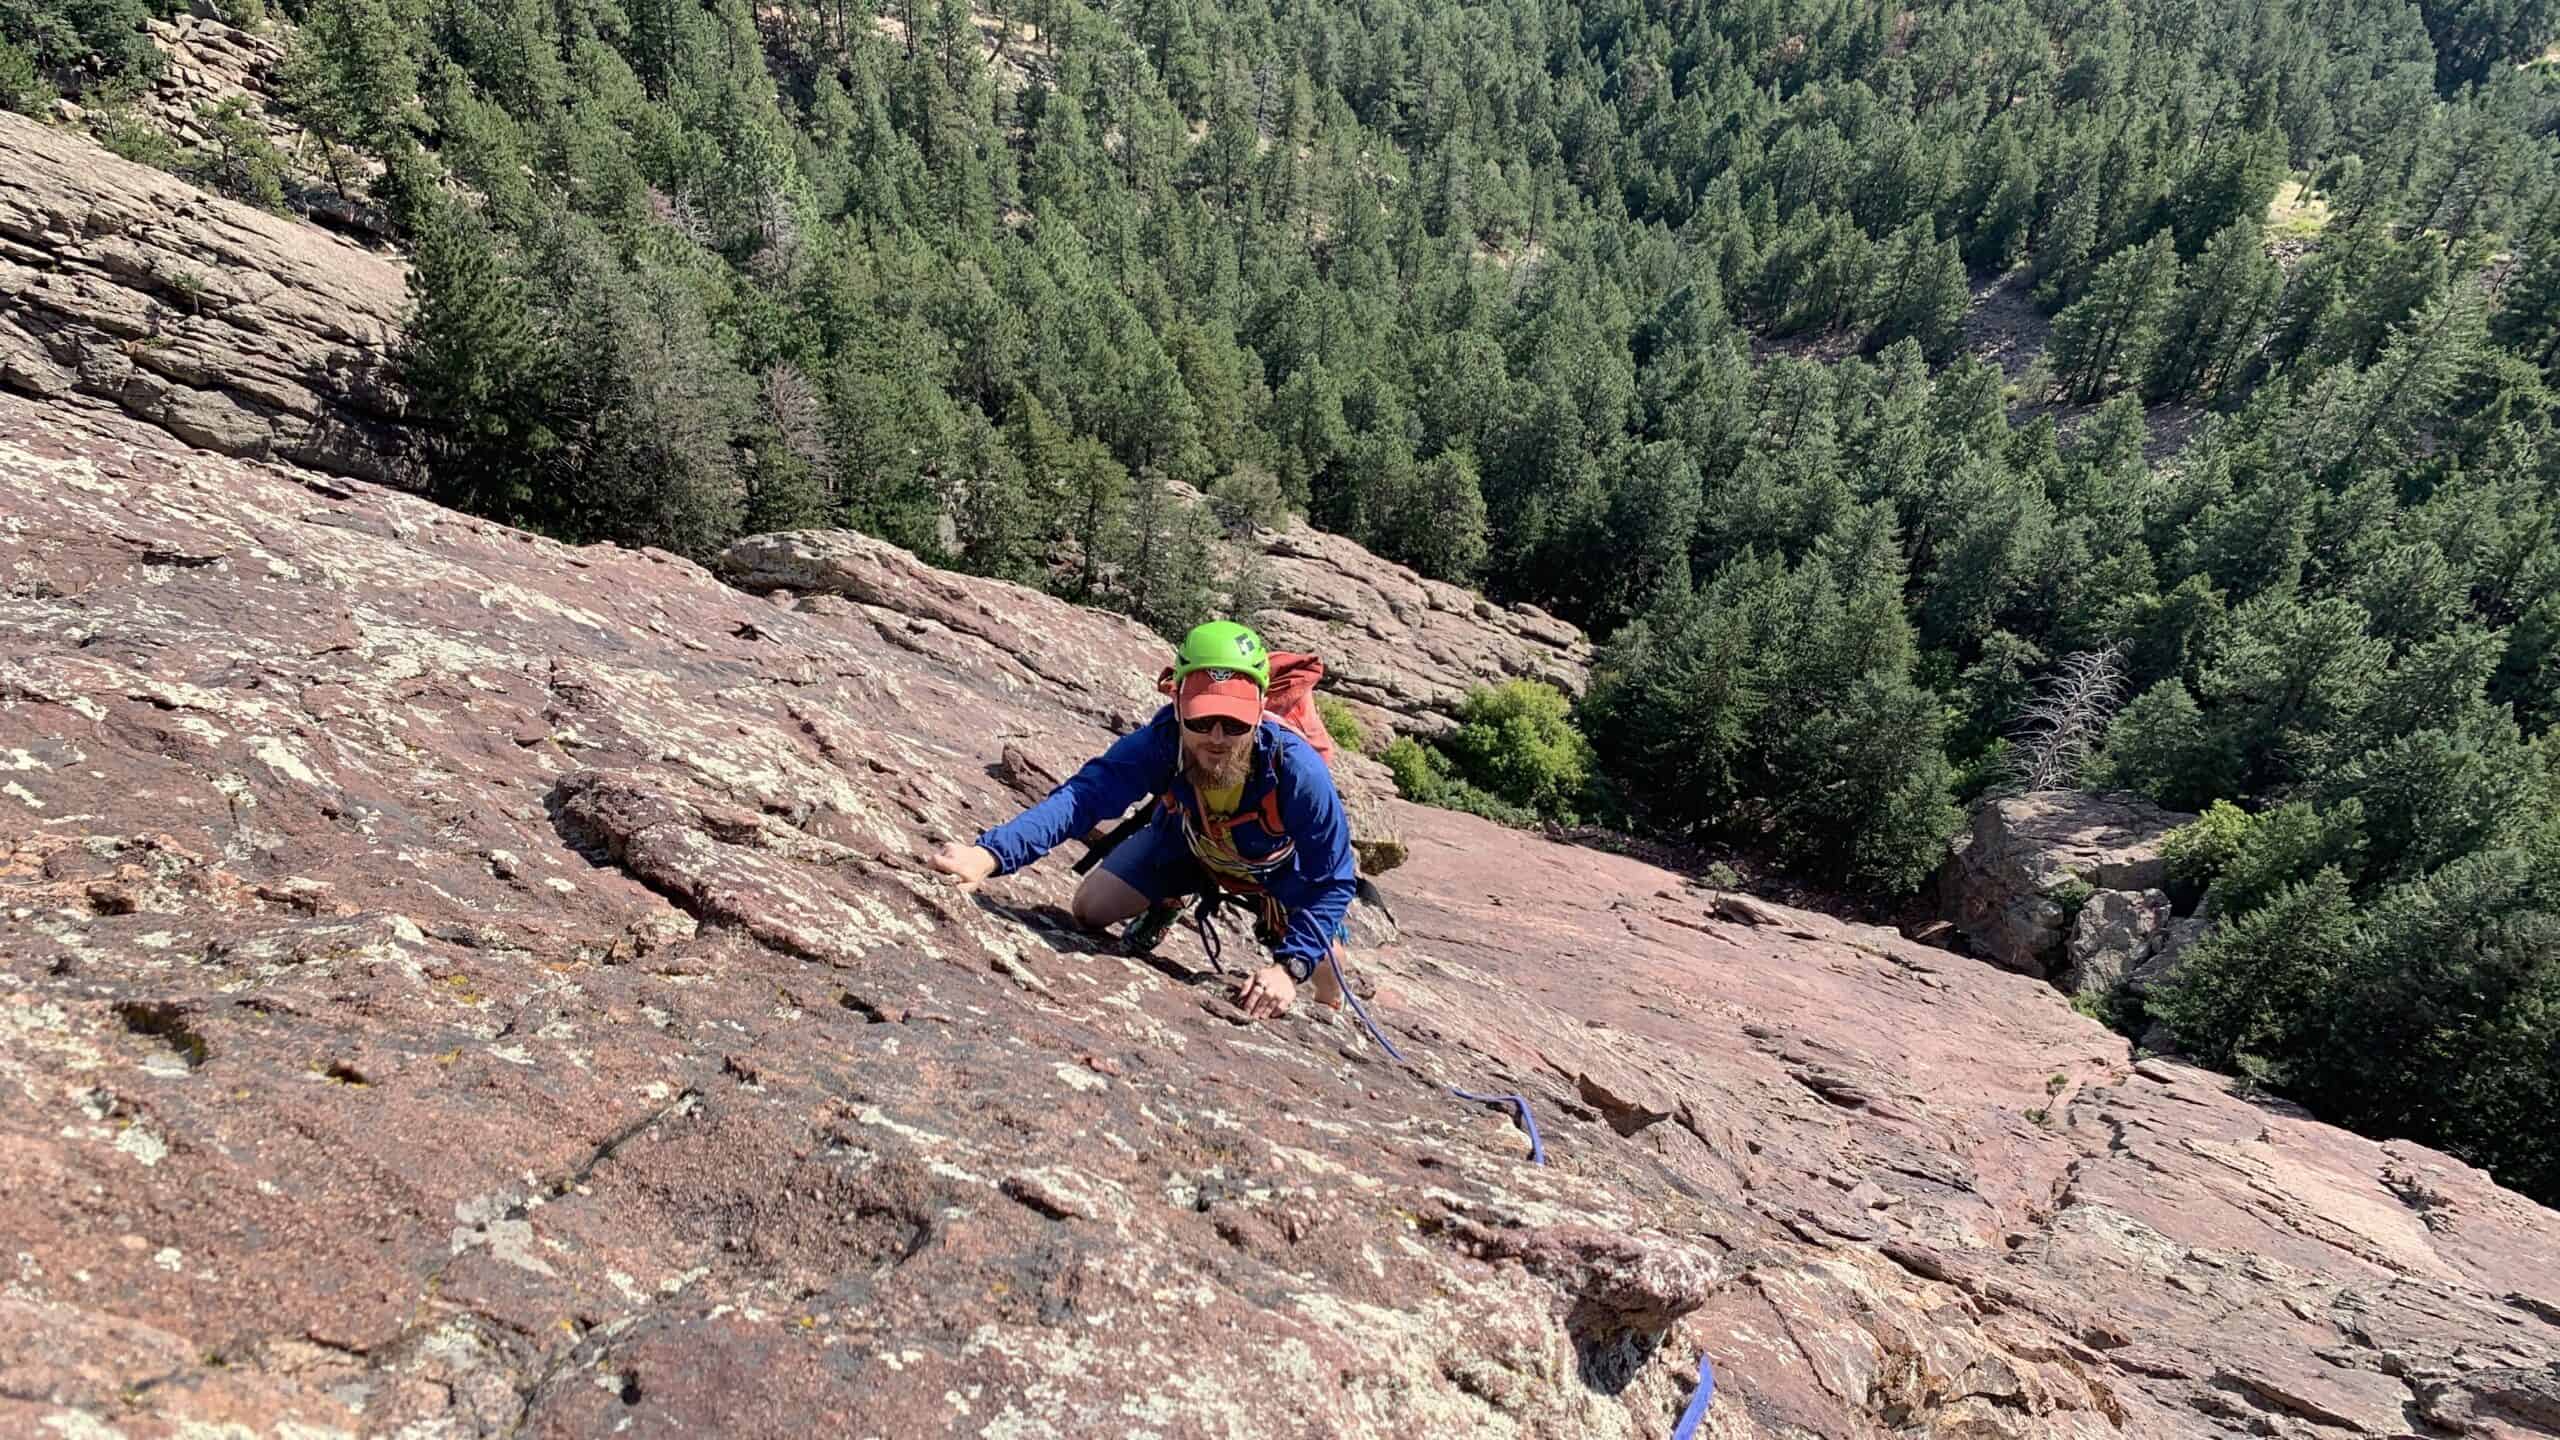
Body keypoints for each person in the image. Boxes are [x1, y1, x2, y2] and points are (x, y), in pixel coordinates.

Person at [929, 620, 1355, 1020]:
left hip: (1277, 874)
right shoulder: (1162, 742)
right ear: (1177, 701)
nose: (1218, 738)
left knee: (1328, 971)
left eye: (1235, 722)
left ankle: (1312, 979)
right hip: (1188, 847)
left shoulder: (1296, 770)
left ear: (1261, 709)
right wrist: (988, 855)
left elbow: (1334, 879)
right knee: (1090, 910)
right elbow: (1082, 799)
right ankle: (1167, 900)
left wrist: (1290, 967)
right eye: (1203, 719)